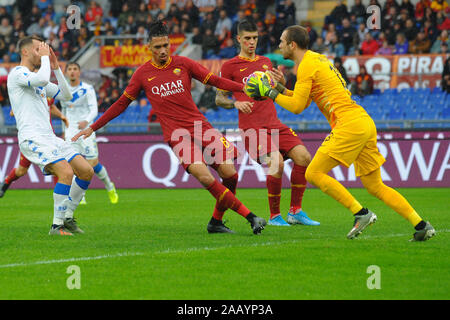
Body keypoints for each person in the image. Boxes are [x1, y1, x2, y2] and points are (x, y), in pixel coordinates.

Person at [72, 21, 267, 235]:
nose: (163, 50)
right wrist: (94, 127)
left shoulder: (184, 63)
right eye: (158, 47)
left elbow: (215, 81)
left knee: (231, 174)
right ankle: (251, 217)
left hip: (201, 127)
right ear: (149, 48)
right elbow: (120, 104)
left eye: (166, 45)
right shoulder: (142, 74)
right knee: (204, 176)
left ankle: (216, 222)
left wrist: (245, 87)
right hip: (178, 136)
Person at [245, 25, 436, 241]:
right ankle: (421, 225)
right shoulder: (317, 59)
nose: (279, 45)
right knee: (375, 186)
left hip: (348, 124)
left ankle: (361, 213)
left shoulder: (306, 65)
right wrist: (280, 89)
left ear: (292, 44)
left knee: (313, 174)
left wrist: (269, 93)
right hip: (363, 122)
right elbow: (305, 101)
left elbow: (297, 108)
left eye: (281, 41)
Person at [215, 20, 320, 227]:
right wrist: (235, 103)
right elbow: (219, 98)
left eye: (254, 38)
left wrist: (281, 82)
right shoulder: (229, 67)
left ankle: (295, 212)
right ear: (239, 39)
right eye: (247, 38)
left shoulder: (265, 61)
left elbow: (277, 89)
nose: (252, 42)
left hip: (274, 123)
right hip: (252, 129)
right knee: (276, 162)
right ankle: (274, 216)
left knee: (304, 157)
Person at [7, 36, 94, 236]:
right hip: (32, 138)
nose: (43, 52)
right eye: (39, 49)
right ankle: (57, 226)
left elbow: (66, 95)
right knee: (65, 172)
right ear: (26, 52)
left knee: (86, 171)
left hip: (50, 138)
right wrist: (46, 60)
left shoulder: (39, 79)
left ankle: (68, 217)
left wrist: (55, 67)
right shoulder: (17, 74)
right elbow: (42, 79)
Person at [60, 62, 119, 204]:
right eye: (70, 69)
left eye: (75, 69)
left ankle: (110, 186)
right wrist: (63, 130)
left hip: (86, 130)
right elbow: (64, 111)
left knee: (92, 163)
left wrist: (86, 121)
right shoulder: (63, 91)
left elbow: (94, 109)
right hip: (70, 132)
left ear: (79, 72)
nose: (72, 72)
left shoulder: (87, 89)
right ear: (67, 73)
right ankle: (80, 195)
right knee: (74, 163)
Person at [0, 101, 69, 197]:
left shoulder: (45, 91)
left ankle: (61, 198)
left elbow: (51, 106)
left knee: (57, 165)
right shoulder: (27, 94)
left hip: (47, 138)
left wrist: (62, 116)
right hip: (31, 138)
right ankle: (6, 182)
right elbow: (12, 112)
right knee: (21, 171)